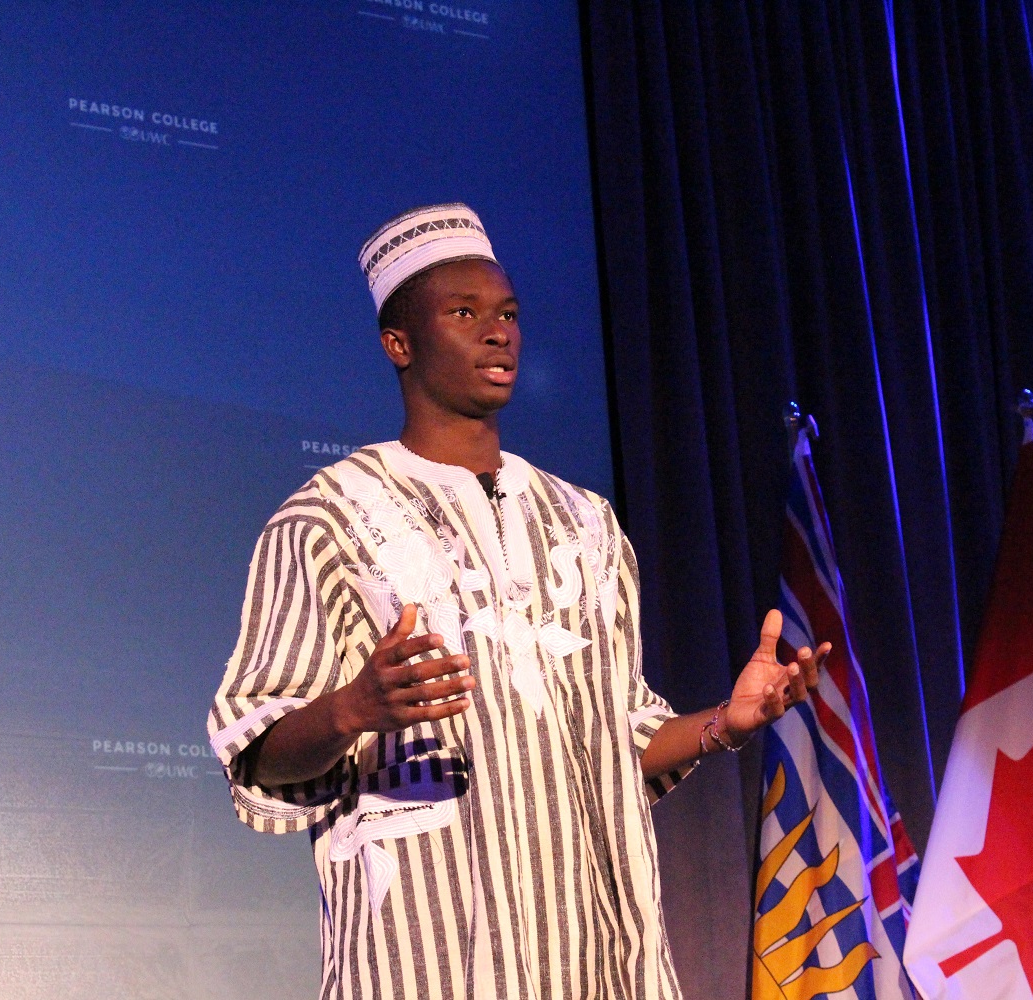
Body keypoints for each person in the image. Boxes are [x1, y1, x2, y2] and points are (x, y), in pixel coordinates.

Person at [208, 203, 827, 1000]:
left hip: (593, 958)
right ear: (399, 343)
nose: (498, 334)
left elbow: (616, 743)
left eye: (507, 314)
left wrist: (723, 725)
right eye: (464, 314)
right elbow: (258, 751)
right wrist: (355, 707)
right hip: (425, 962)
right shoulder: (329, 518)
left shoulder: (585, 522)